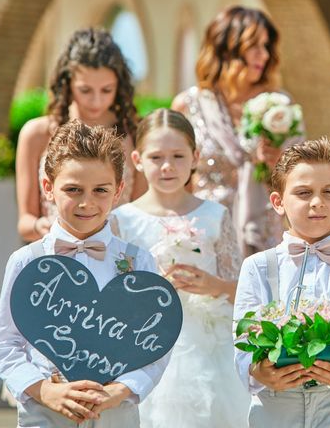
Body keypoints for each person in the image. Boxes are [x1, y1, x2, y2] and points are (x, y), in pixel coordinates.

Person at [0, 120, 167, 427]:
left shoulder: (138, 261)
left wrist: (121, 390)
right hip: (44, 411)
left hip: (116, 412)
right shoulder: (27, 260)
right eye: (73, 189)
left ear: (118, 191)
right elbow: (4, 343)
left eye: (101, 190)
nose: (87, 202)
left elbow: (154, 343)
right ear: (48, 188)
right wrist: (44, 390)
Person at [234, 138, 330, 428]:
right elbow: (241, 343)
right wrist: (259, 371)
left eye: (328, 192)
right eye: (304, 192)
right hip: (276, 406)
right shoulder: (256, 266)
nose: (317, 202)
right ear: (278, 202)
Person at [111, 109, 250, 427]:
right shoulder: (123, 220)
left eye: (177, 155)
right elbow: (114, 294)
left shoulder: (214, 216)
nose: (167, 166)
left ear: (195, 156)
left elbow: (241, 290)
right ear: (137, 159)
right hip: (146, 343)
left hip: (209, 347)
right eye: (156, 157)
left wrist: (214, 286)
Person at [173, 6, 303, 256]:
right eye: (254, 46)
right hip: (205, 235)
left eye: (267, 46)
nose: (263, 55)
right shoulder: (188, 106)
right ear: (227, 48)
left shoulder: (280, 106)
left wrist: (278, 165)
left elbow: (302, 180)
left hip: (264, 239)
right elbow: (178, 182)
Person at [15, 27, 146, 242]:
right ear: (67, 84)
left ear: (120, 87)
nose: (96, 101)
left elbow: (143, 219)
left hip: (118, 259)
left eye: (106, 90)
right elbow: (25, 222)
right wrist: (43, 226)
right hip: (55, 255)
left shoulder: (136, 135)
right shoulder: (36, 134)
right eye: (85, 90)